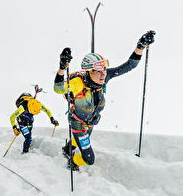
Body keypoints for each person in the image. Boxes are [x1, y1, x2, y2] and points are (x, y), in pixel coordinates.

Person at [54, 30, 156, 171]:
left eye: (104, 70)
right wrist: (61, 68)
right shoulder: (78, 83)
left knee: (83, 137)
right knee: (88, 159)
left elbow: (129, 65)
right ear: (89, 72)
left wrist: (141, 45)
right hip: (78, 123)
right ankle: (74, 162)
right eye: (98, 71)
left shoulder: (104, 78)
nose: (103, 74)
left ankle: (67, 149)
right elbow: (58, 88)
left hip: (91, 120)